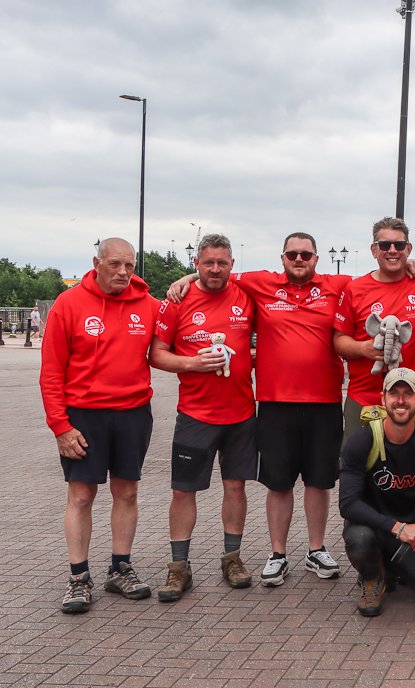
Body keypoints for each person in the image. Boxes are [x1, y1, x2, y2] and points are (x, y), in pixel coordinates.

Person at [168, 232, 349, 586]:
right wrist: (187, 277)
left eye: (306, 254)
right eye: (293, 254)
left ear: (316, 258)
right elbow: (215, 273)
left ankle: (316, 549)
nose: (299, 260)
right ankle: (278, 553)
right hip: (275, 402)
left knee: (319, 481)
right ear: (283, 258)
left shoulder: (337, 285)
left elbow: (380, 281)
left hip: (324, 401)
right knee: (278, 482)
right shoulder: (261, 282)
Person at [39, 238, 162, 613]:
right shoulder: (70, 303)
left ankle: (119, 567)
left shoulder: (150, 305)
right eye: (114, 264)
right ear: (96, 262)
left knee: (127, 493)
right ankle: (78, 578)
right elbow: (50, 372)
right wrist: (60, 426)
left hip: (132, 413)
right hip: (83, 416)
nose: (123, 272)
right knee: (81, 496)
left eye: (129, 265)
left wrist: (188, 277)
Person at [149, 234, 257, 600]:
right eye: (208, 263)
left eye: (222, 263)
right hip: (195, 414)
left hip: (241, 413)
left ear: (231, 265)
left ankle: (232, 558)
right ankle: (179, 566)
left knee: (236, 487)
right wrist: (193, 363)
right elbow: (156, 354)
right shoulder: (177, 300)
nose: (215, 269)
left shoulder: (245, 294)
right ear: (196, 263)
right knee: (183, 491)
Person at [339, 367, 415, 616]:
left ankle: (392, 568)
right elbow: (347, 503)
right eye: (394, 394)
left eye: (408, 393)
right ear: (383, 399)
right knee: (360, 539)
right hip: (372, 528)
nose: (401, 401)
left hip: (412, 534)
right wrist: (397, 527)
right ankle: (372, 578)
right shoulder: (362, 441)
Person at [334, 217, 415, 442]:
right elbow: (339, 340)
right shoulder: (355, 289)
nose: (392, 251)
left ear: (408, 249)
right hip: (364, 399)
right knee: (356, 468)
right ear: (374, 250)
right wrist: (363, 348)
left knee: (411, 471)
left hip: (412, 400)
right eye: (385, 245)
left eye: (399, 245)